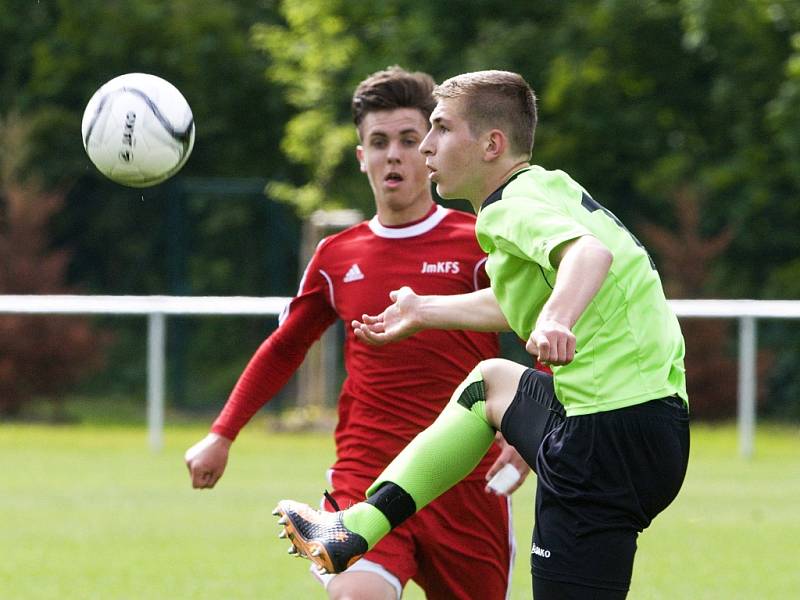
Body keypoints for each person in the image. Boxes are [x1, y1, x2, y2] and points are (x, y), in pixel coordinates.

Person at [275, 70, 691, 600]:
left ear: (492, 144)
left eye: (442, 129)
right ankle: (357, 528)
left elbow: (588, 255)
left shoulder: (507, 208)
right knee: (489, 384)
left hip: (601, 439)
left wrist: (558, 317)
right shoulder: (548, 186)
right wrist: (423, 309)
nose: (426, 145)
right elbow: (523, 298)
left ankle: (356, 528)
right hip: (654, 424)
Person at [185, 66, 530, 600]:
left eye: (410, 140)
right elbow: (286, 345)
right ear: (361, 156)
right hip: (365, 476)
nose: (394, 154)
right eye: (379, 141)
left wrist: (534, 435)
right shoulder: (335, 255)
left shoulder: (479, 240)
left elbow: (544, 325)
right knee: (357, 595)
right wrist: (222, 433)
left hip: (465, 484)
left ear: (432, 148)